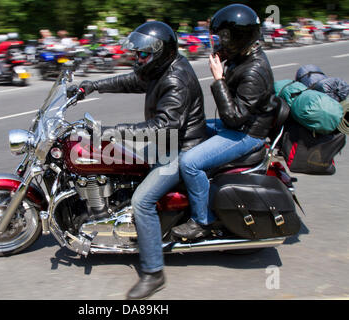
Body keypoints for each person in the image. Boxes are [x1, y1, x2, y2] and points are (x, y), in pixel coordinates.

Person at [72, 21, 207, 299]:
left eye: (143, 54)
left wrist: (111, 132)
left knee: (141, 202)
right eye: (137, 54)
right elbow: (132, 80)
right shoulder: (160, 69)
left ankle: (154, 273)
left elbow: (165, 125)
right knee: (113, 164)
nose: (138, 59)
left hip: (177, 148)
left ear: (160, 52)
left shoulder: (175, 79)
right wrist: (92, 86)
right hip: (165, 144)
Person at [171, 4, 278, 240]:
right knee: (185, 129)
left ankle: (202, 220)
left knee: (190, 162)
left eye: (224, 38)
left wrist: (218, 79)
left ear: (239, 38)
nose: (219, 43)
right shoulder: (242, 57)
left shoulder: (254, 71)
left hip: (248, 134)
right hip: (240, 126)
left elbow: (232, 118)